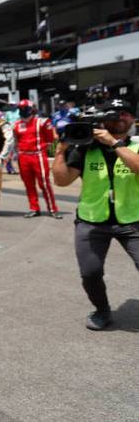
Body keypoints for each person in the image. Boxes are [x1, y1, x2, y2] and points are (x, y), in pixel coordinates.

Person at [52, 99, 139, 330]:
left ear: (132, 118)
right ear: (102, 120)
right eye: (113, 115)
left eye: (125, 114)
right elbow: (61, 181)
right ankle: (102, 311)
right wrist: (61, 151)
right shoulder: (85, 147)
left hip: (132, 220)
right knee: (90, 273)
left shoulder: (137, 144)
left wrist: (114, 143)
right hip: (92, 220)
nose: (120, 118)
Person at [13, 99, 61, 218]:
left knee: (44, 183)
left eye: (24, 109)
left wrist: (42, 148)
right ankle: (34, 208)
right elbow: (15, 140)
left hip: (38, 155)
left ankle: (52, 209)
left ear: (31, 110)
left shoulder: (42, 122)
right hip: (23, 156)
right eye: (20, 109)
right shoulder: (17, 124)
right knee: (28, 184)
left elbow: (51, 139)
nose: (22, 111)